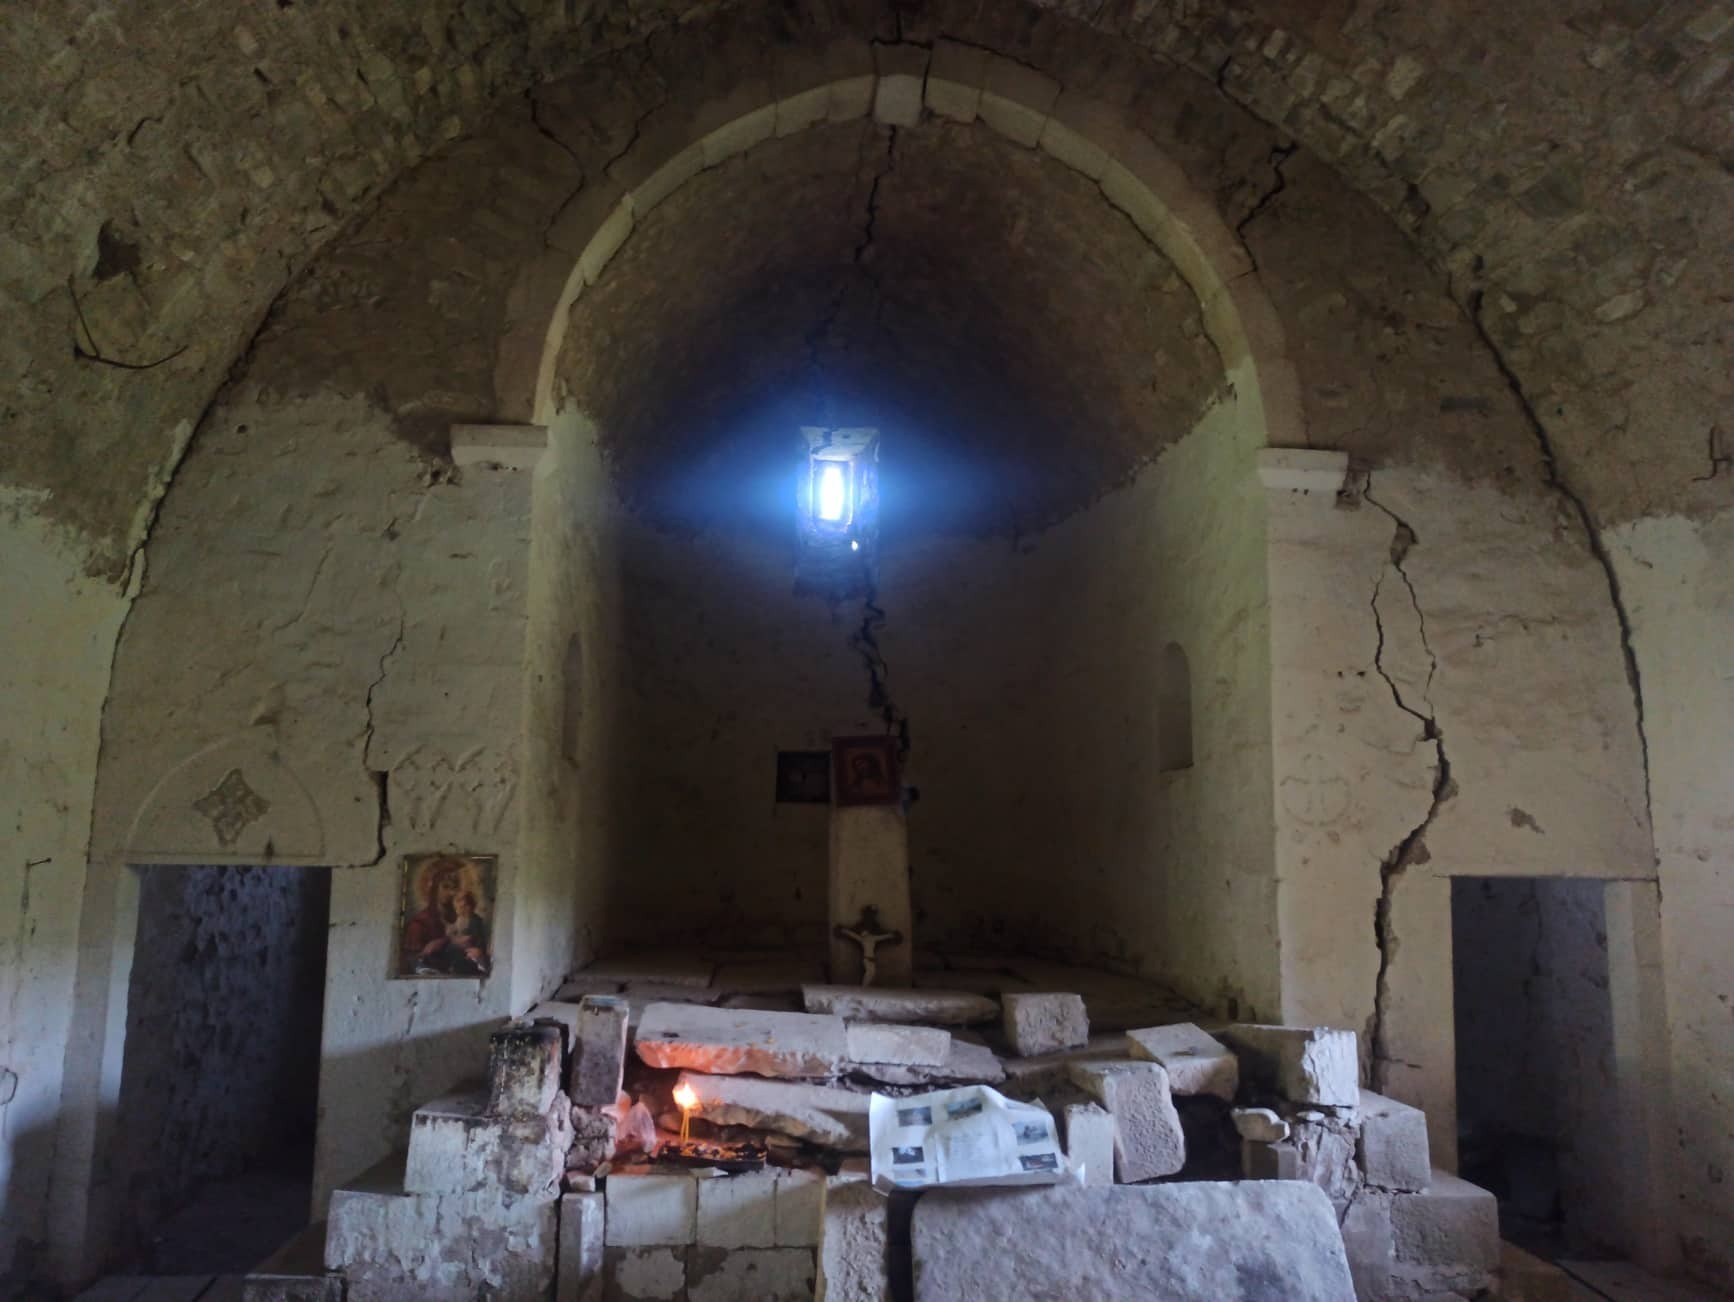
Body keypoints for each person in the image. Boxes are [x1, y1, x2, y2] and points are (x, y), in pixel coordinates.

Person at [444, 889, 491, 976]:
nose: (459, 908)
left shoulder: (475, 921)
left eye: (464, 905)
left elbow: (472, 939)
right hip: (460, 950)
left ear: (470, 906)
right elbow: (451, 935)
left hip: (472, 952)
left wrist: (457, 940)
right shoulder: (458, 919)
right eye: (457, 905)